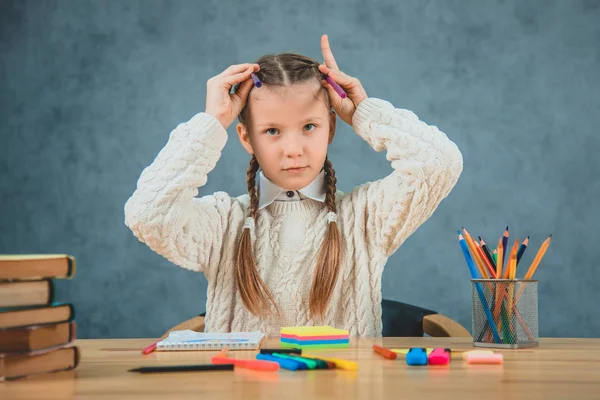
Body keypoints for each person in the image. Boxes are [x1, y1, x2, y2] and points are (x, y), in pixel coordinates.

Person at [125, 35, 463, 337]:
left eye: (309, 126)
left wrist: (364, 111)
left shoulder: (365, 216)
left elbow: (440, 164)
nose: (293, 149)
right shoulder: (224, 222)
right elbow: (147, 214)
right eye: (272, 131)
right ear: (246, 137)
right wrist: (212, 123)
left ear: (331, 128)